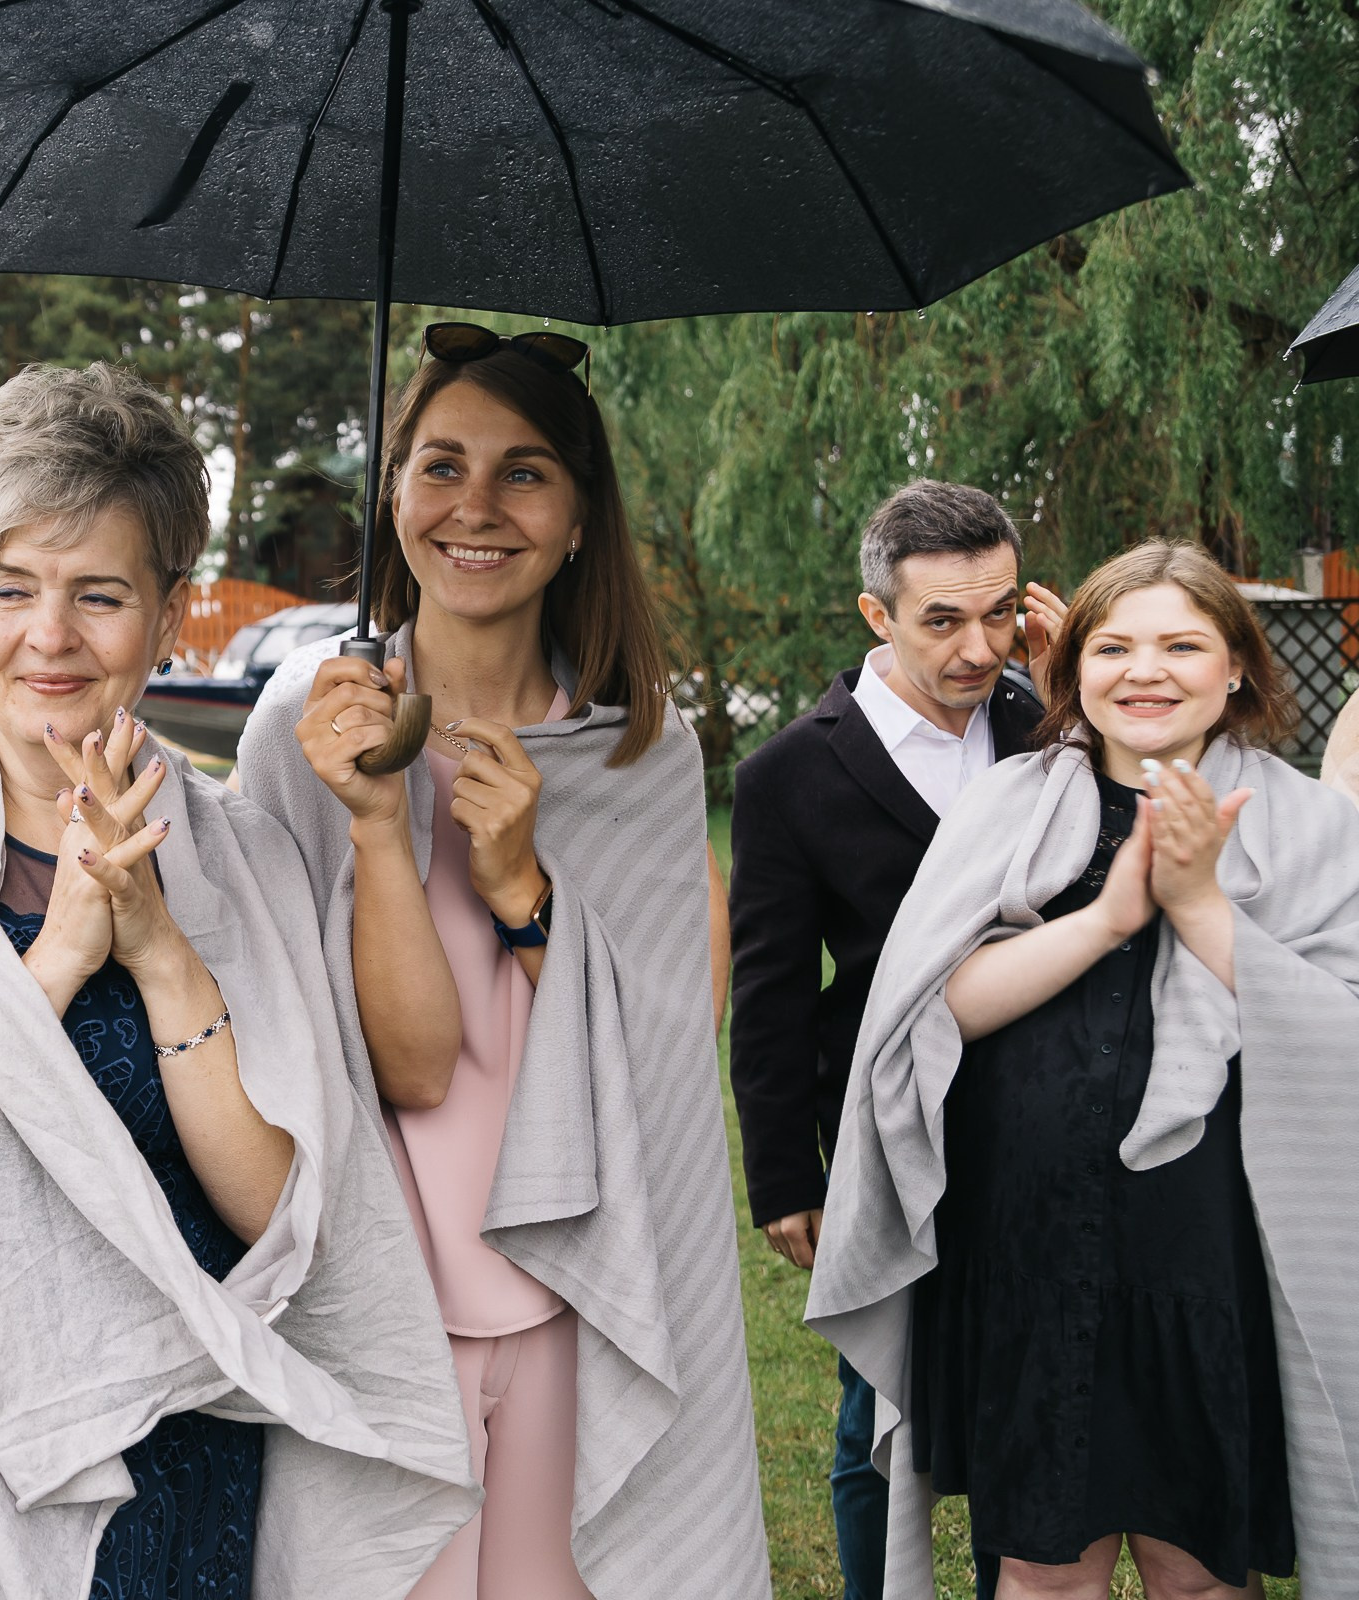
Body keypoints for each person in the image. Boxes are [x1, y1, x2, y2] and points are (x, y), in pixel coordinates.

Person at [0, 363, 476, 1600]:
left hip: (185, 1446)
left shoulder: (240, 853)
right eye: (11, 589)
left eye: (99, 594)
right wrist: (62, 951)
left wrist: (157, 949)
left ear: (167, 612)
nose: (50, 636)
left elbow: (281, 1210)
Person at [236, 323, 768, 1600]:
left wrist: (525, 888)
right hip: (374, 1286)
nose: (475, 507)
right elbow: (384, 1066)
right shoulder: (299, 732)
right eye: (440, 466)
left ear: (580, 515)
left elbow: (662, 1060)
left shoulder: (637, 753)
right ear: (396, 497)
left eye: (524, 472)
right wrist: (380, 821)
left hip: (572, 1284)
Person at [811, 540, 1359, 1599]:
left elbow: (1342, 1035)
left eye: (1182, 644)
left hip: (1212, 1263)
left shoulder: (1311, 826)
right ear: (1073, 669)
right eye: (1113, 645)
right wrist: (1112, 915)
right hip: (1028, 1248)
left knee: (1196, 1567)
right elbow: (929, 1011)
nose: (1144, 670)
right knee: (1040, 1568)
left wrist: (1200, 905)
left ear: (1236, 665)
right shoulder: (1007, 804)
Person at [727, 479, 1058, 1600]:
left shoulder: (1042, 721)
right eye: (945, 620)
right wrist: (783, 1175)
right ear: (877, 616)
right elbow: (769, 990)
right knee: (881, 1400)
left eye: (1002, 612)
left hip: (1048, 1115)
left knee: (1026, 1386)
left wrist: (1069, 701)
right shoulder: (789, 774)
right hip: (887, 1131)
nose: (982, 646)